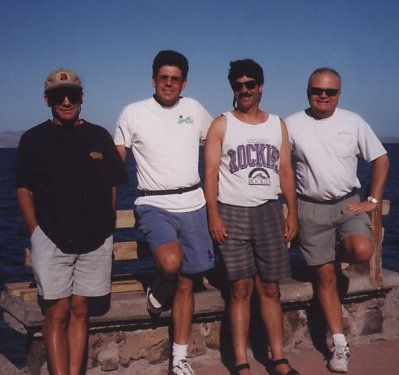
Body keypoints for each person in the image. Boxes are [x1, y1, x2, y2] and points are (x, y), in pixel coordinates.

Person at [16, 68, 126, 375]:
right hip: (50, 239)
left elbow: (114, 184)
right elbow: (23, 188)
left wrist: (107, 225)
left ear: (81, 98)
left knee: (80, 310)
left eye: (73, 95)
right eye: (57, 96)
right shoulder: (33, 140)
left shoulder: (99, 136)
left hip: (95, 239)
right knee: (57, 311)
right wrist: (34, 230)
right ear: (47, 100)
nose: (66, 101)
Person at [114, 50, 214, 375]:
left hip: (194, 203)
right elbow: (115, 164)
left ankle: (179, 358)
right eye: (163, 78)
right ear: (153, 80)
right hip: (153, 202)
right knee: (171, 262)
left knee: (188, 281)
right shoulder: (132, 113)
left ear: (183, 83)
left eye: (175, 79)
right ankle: (160, 285)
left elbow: (217, 146)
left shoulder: (195, 109)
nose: (168, 84)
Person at [285, 67, 389, 373]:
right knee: (326, 277)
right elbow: (282, 168)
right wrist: (285, 206)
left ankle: (328, 260)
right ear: (308, 92)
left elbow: (381, 159)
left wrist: (372, 200)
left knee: (362, 250)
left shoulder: (353, 121)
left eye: (330, 91)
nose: (323, 96)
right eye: (317, 90)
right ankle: (339, 344)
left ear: (339, 94)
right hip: (309, 208)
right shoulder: (291, 124)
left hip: (347, 205)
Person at [204, 59, 299, 375]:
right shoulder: (221, 124)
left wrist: (292, 213)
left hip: (269, 212)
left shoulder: (277, 124)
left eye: (250, 84)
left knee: (270, 288)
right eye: (238, 85)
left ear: (260, 86)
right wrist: (214, 216)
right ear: (232, 88)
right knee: (240, 288)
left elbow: (285, 170)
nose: (244, 90)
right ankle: (241, 361)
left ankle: (278, 357)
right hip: (232, 212)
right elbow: (210, 173)